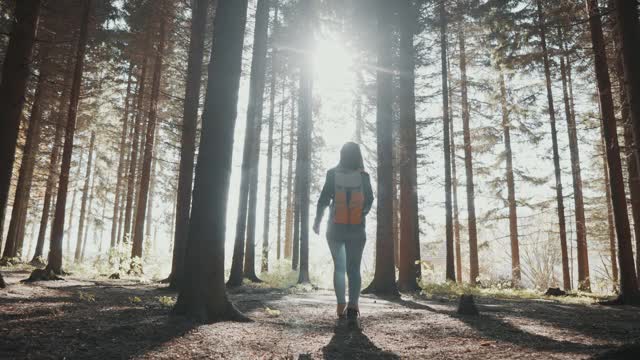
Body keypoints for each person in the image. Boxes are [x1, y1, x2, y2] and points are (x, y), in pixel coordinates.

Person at [313, 142, 374, 323]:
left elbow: (323, 199)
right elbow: (369, 200)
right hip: (356, 228)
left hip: (334, 228)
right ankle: (353, 306)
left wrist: (317, 221)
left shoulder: (332, 174)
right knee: (353, 268)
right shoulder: (364, 176)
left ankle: (341, 306)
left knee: (339, 267)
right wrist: (362, 211)